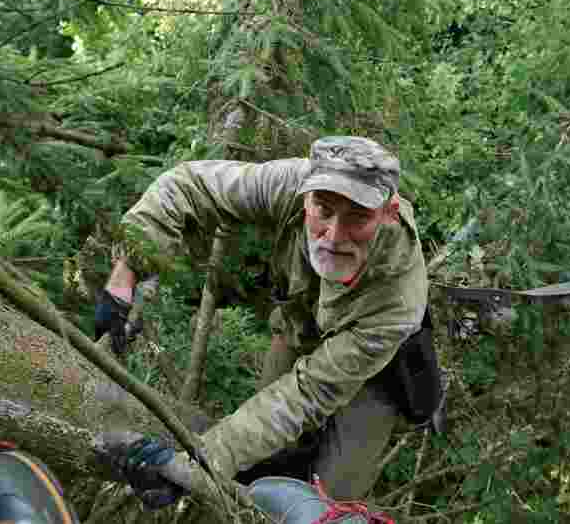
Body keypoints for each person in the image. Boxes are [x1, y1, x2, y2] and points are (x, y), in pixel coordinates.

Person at [95, 136, 429, 507]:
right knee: (265, 455)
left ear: (389, 212)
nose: (335, 236)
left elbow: (307, 394)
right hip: (301, 325)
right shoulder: (291, 183)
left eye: (358, 218)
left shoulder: (398, 300)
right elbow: (188, 185)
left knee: (325, 499)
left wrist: (195, 468)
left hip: (376, 371)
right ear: (306, 196)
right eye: (323, 210)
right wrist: (125, 273)